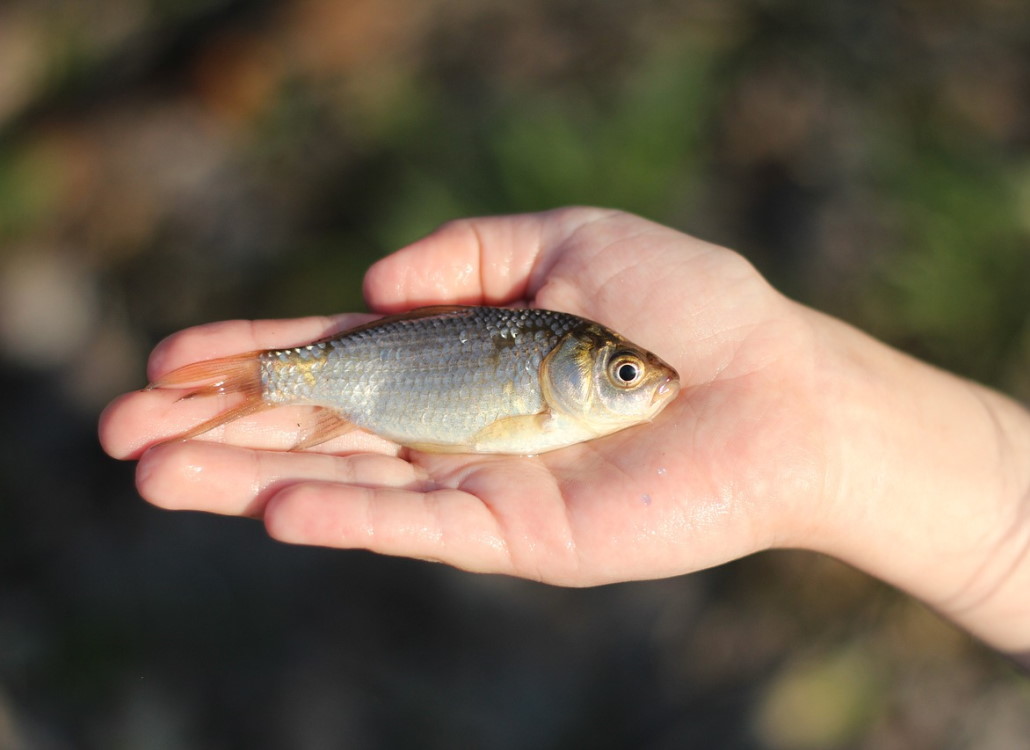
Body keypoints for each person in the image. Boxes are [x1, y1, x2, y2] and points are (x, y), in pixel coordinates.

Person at [99, 207, 1030, 664]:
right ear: (575, 369)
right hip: (369, 378)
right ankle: (246, 387)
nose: (650, 386)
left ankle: (244, 386)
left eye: (629, 372)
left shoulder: (560, 375)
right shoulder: (544, 376)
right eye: (626, 373)